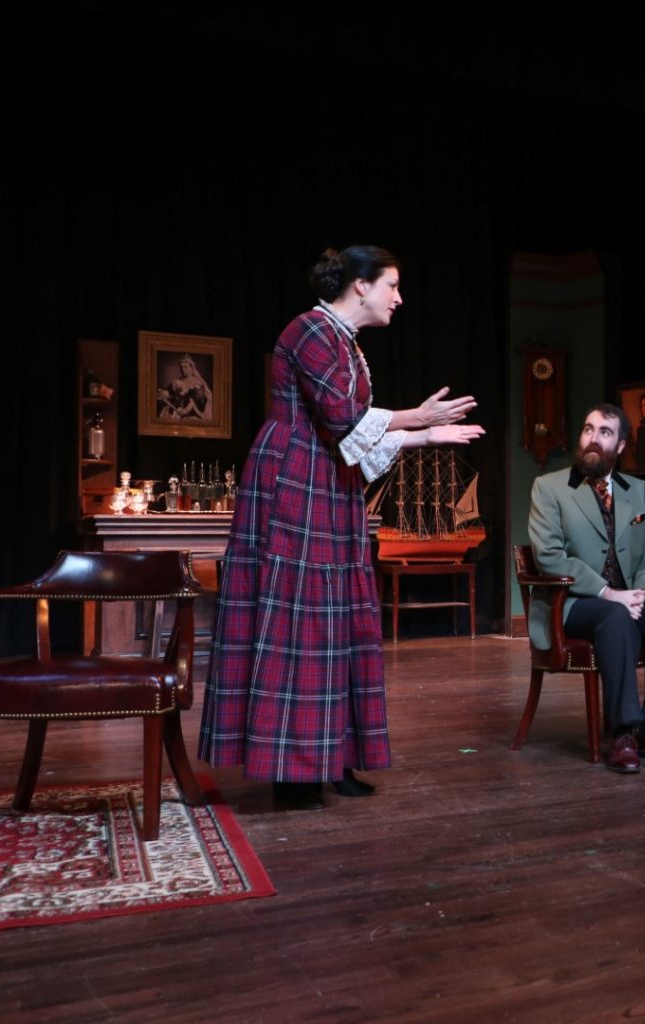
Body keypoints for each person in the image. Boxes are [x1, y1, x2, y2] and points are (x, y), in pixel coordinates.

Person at [198, 246, 484, 810]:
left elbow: (352, 436)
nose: (399, 298)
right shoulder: (311, 330)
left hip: (330, 481)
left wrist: (424, 437)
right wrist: (418, 418)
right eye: (392, 285)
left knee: (342, 620)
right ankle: (291, 770)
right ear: (360, 285)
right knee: (299, 622)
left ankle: (334, 758)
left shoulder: (346, 343)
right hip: (295, 482)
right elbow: (343, 418)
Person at [526, 404, 645, 774]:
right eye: (588, 429)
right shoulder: (550, 488)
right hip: (571, 603)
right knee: (614, 616)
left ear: (619, 446)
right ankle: (623, 733)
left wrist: (643, 593)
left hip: (625, 600)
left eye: (604, 432)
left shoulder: (638, 490)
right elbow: (549, 557)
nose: (593, 438)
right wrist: (609, 593)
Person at [157, 354, 213, 420]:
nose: (183, 369)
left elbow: (198, 402)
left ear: (191, 368)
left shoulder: (197, 383)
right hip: (176, 410)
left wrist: (185, 411)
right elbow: (170, 393)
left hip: (190, 413)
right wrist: (163, 392)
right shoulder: (177, 381)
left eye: (185, 367)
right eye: (181, 367)